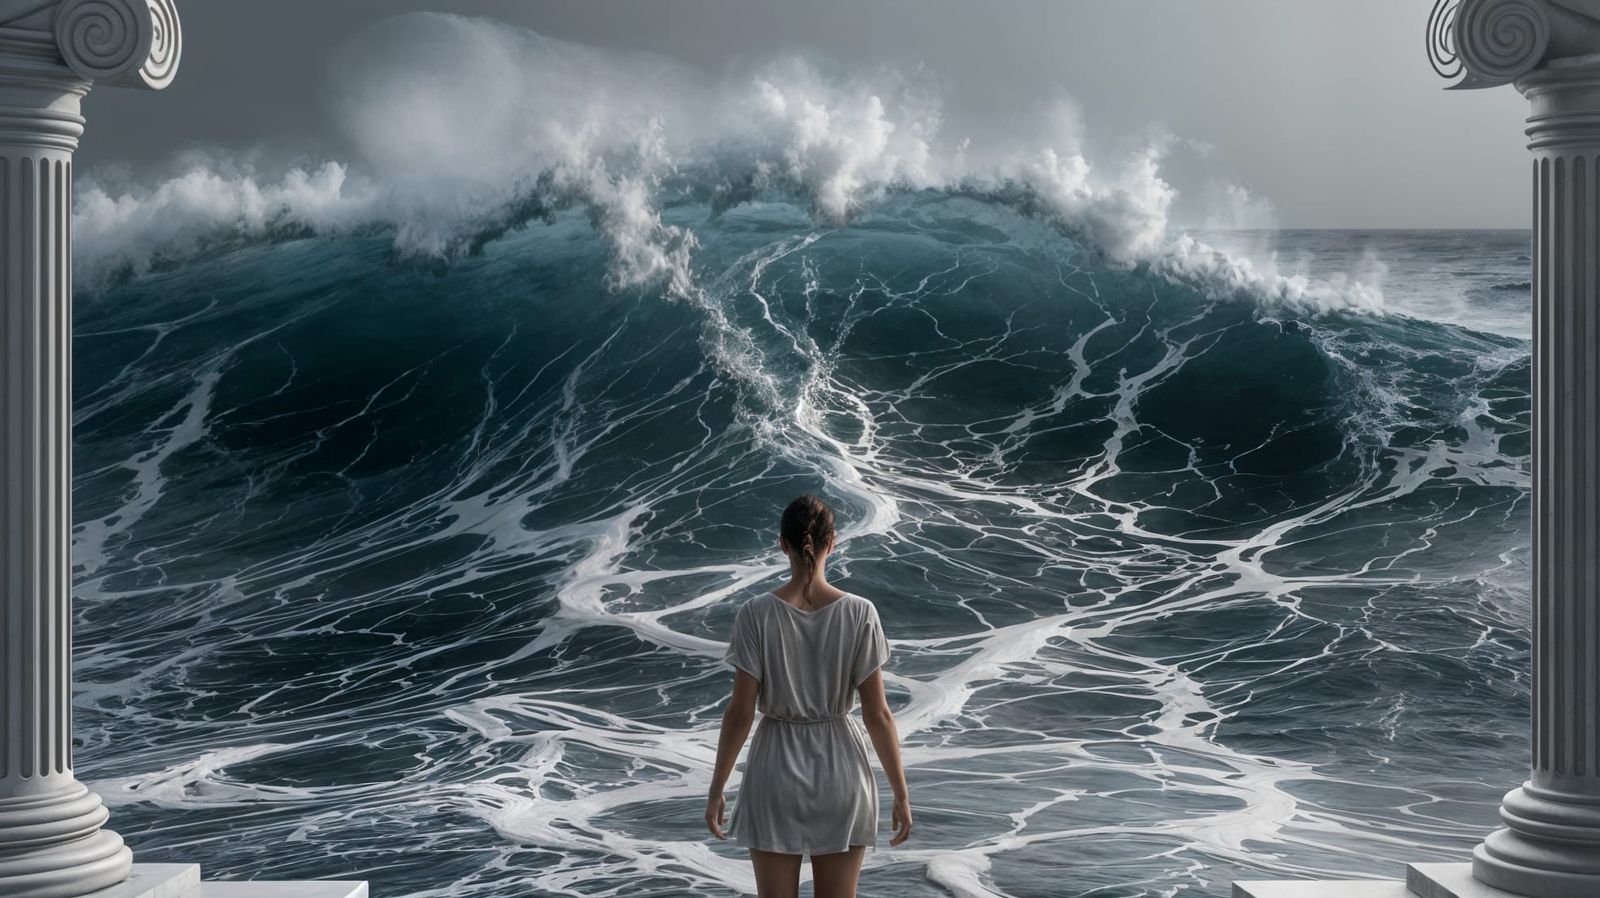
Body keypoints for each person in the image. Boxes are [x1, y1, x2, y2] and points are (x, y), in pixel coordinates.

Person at [705, 494, 912, 898]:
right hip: (841, 770)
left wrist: (717, 789)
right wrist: (901, 795)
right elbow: (878, 715)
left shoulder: (755, 612)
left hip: (774, 770)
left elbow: (740, 714)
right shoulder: (860, 612)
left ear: (782, 544)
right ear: (832, 543)